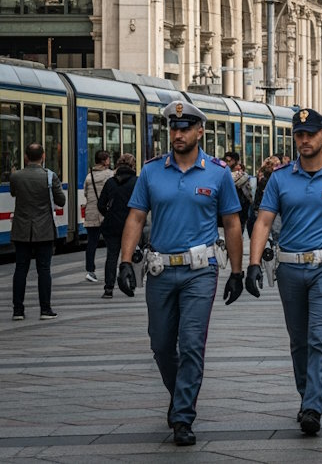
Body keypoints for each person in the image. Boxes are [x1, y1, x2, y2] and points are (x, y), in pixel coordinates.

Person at [115, 100, 244, 446]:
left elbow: (232, 222)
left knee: (190, 344)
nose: (178, 134)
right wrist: (125, 261)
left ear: (200, 131)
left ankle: (183, 416)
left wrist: (237, 271)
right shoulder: (151, 171)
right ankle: (180, 395)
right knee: (160, 345)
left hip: (199, 272)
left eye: (185, 128)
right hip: (159, 270)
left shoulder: (217, 173)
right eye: (173, 128)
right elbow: (136, 218)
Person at [244, 108, 322, 436]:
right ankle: (306, 395)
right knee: (299, 341)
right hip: (289, 269)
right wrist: (253, 263)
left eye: (310, 134)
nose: (304, 140)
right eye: (299, 135)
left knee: (318, 338)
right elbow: (264, 221)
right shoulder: (280, 177)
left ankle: (313, 405)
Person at [10, 142, 66, 321]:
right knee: (44, 269)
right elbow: (61, 200)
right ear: (43, 156)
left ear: (25, 157)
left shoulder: (16, 176)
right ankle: (45, 309)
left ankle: (18, 310)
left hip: (21, 229)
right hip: (44, 230)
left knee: (20, 269)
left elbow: (13, 194)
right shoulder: (50, 176)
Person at [97, 154, 138, 299]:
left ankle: (108, 289)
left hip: (112, 225)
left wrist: (110, 214)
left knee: (111, 256)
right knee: (129, 255)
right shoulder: (136, 182)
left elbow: (101, 205)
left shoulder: (110, 182)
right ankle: (131, 284)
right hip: (131, 226)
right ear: (133, 166)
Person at [83, 150, 114, 284]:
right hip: (105, 214)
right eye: (108, 159)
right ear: (104, 161)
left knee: (92, 243)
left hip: (91, 213)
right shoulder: (110, 175)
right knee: (111, 244)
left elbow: (85, 193)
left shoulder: (89, 177)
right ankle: (111, 270)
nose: (109, 161)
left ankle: (90, 271)